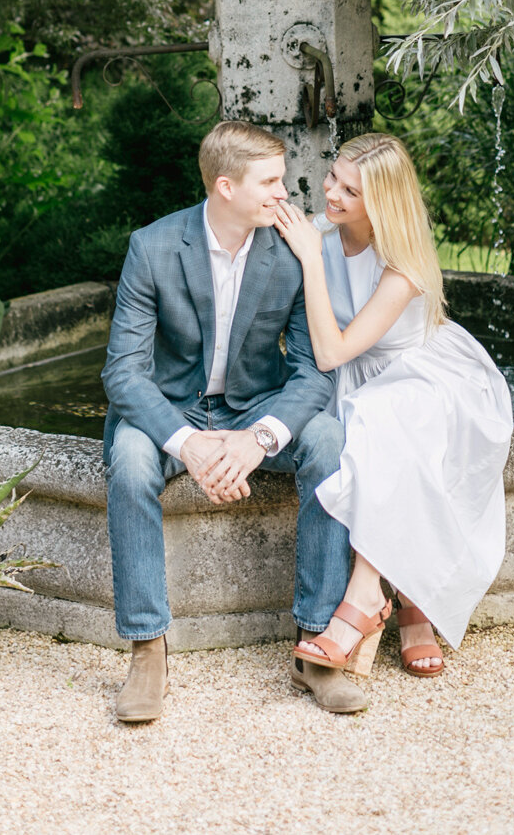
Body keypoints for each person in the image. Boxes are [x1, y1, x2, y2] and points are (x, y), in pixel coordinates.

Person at [102, 119, 367, 722]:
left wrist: (258, 438)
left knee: (327, 437)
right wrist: (189, 443)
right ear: (226, 186)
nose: (286, 194)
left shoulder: (293, 250)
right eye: (270, 182)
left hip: (255, 407)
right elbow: (123, 375)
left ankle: (317, 647)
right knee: (132, 457)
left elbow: (312, 372)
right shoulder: (154, 247)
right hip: (172, 409)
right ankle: (147, 647)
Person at [274, 132, 513, 678]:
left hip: (427, 375)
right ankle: (410, 605)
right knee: (375, 422)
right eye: (333, 177)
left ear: (380, 202)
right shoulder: (320, 231)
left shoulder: (401, 263)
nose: (331, 194)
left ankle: (366, 601)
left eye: (349, 191)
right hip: (362, 380)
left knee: (390, 417)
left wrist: (312, 261)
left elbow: (332, 351)